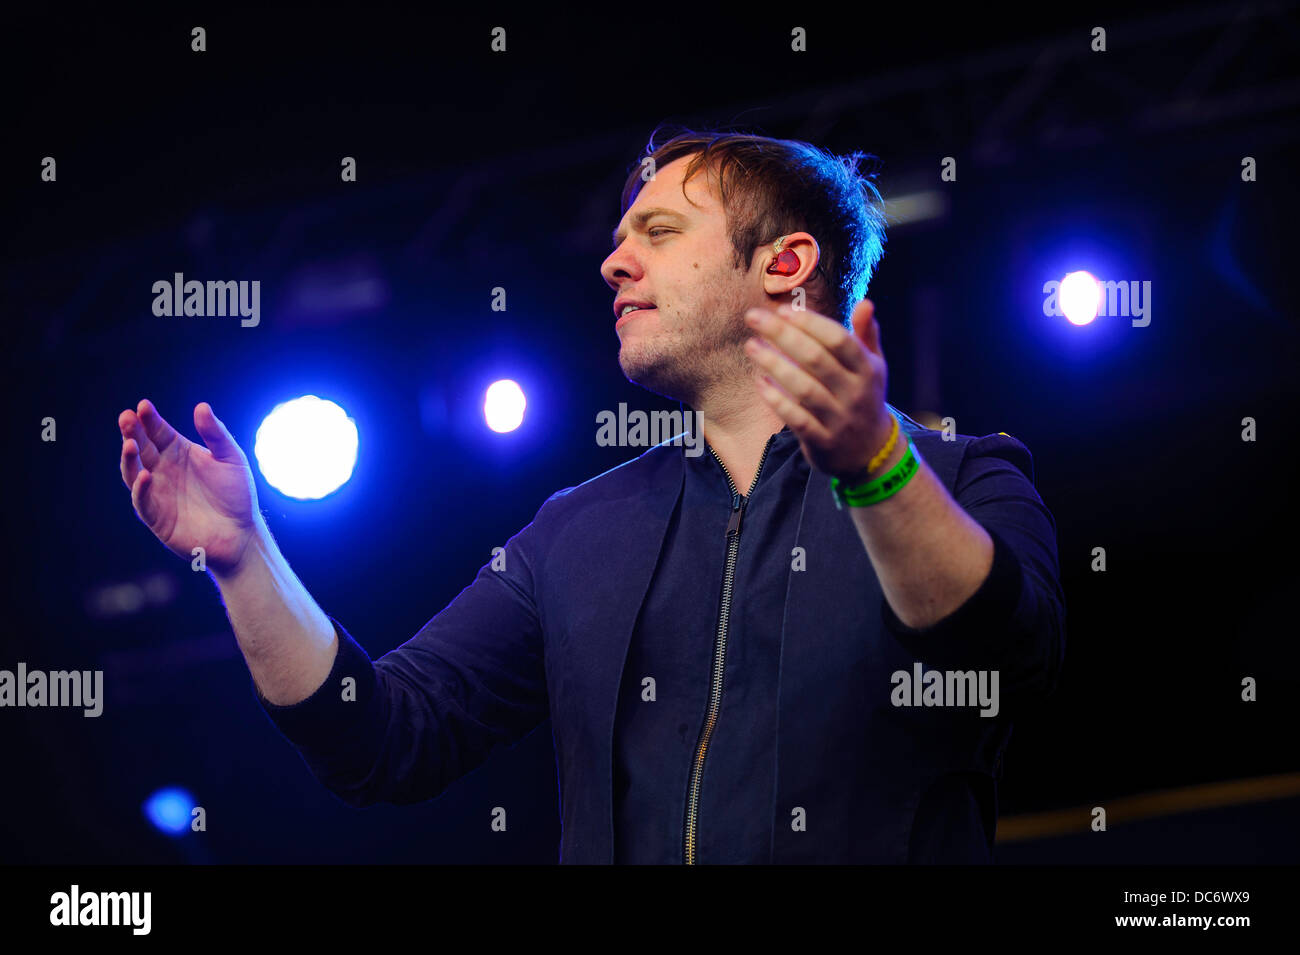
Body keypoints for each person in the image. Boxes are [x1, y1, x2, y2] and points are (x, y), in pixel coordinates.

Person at [117, 128, 1065, 863]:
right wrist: (243, 558)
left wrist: (873, 465)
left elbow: (1001, 648)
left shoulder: (964, 473)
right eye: (619, 241)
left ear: (783, 265)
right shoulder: (576, 531)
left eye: (657, 233)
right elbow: (383, 736)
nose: (614, 263)